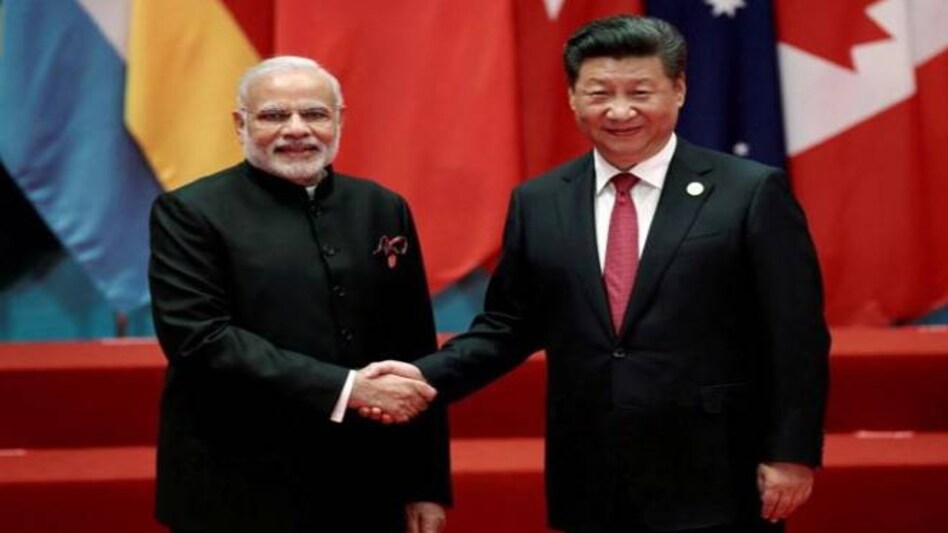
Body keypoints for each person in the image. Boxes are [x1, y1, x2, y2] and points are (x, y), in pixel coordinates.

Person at [364, 15, 829, 533]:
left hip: (718, 470)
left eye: (640, 91)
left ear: (678, 90)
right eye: (600, 92)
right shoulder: (540, 201)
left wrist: (791, 452)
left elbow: (796, 335)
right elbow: (509, 326)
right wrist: (422, 377)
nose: (620, 110)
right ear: (572, 98)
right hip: (591, 471)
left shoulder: (749, 191)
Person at [149, 56, 451, 533]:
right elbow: (200, 339)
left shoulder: (382, 206)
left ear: (339, 120)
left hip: (365, 482)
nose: (296, 129)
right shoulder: (189, 212)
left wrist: (426, 483)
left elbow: (413, 346)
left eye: (314, 114)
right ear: (240, 123)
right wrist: (350, 390)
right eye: (273, 115)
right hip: (236, 484)